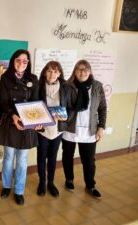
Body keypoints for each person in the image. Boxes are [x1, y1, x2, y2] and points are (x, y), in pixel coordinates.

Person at [0, 49, 42, 205]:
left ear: (28, 63)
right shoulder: (4, 78)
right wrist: (14, 116)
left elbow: (36, 102)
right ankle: (6, 186)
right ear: (13, 61)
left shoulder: (33, 79)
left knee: (22, 160)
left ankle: (18, 191)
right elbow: (3, 102)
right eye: (18, 60)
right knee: (8, 158)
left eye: (25, 61)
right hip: (10, 122)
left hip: (26, 124)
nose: (21, 63)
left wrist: (35, 120)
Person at [62, 59, 107, 199]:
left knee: (89, 160)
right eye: (79, 69)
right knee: (67, 156)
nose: (82, 72)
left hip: (89, 130)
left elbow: (102, 108)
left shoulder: (97, 86)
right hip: (70, 128)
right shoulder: (67, 86)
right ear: (75, 71)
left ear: (90, 71)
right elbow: (63, 106)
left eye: (85, 69)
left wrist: (101, 127)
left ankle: (90, 185)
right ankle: (69, 179)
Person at [36, 61, 69, 197]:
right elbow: (33, 107)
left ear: (59, 74)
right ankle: (42, 182)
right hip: (42, 129)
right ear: (45, 72)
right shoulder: (38, 87)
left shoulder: (66, 88)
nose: (52, 74)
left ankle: (50, 182)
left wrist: (66, 117)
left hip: (58, 129)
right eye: (49, 71)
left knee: (53, 157)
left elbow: (71, 107)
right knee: (41, 156)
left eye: (55, 71)